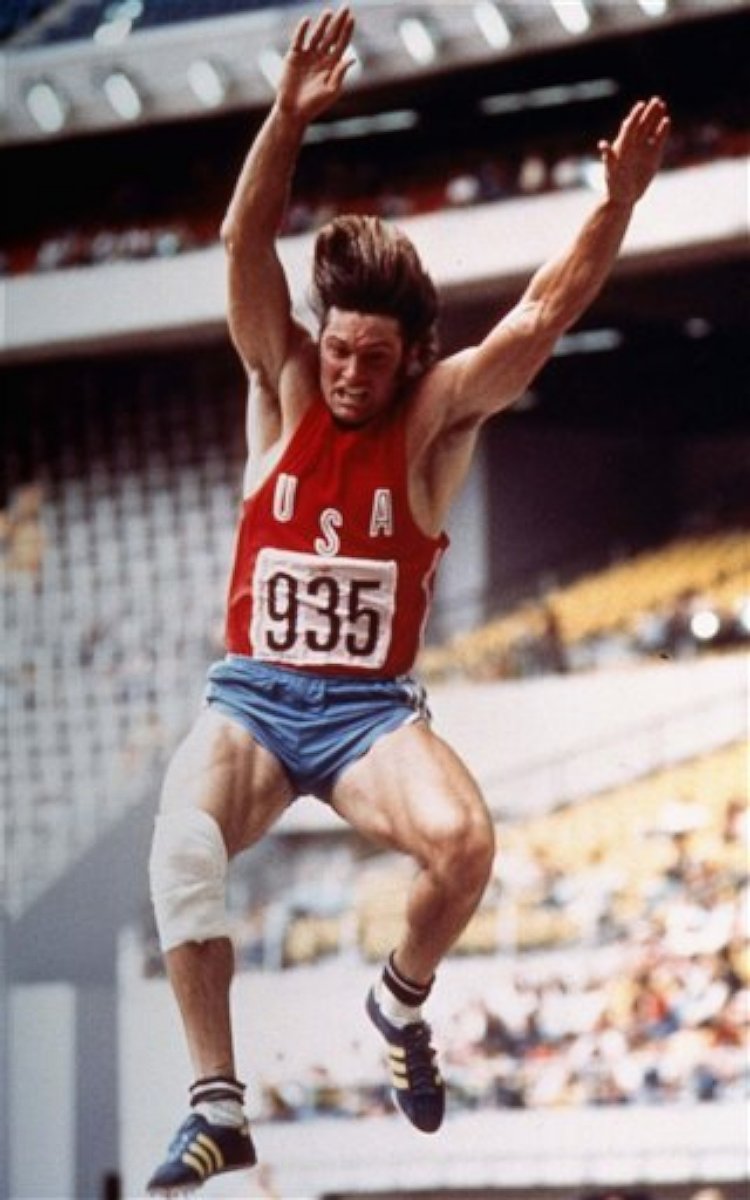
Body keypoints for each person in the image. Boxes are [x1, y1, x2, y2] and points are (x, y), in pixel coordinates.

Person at [145, 6, 670, 1193]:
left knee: (468, 845)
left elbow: (541, 316)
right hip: (256, 699)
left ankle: (398, 1002)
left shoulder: (433, 417)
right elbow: (241, 245)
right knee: (182, 841)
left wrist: (618, 205)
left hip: (367, 709)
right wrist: (285, 116)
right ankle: (217, 1106)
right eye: (338, 349)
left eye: (373, 360)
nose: (348, 372)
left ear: (407, 355)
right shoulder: (281, 383)